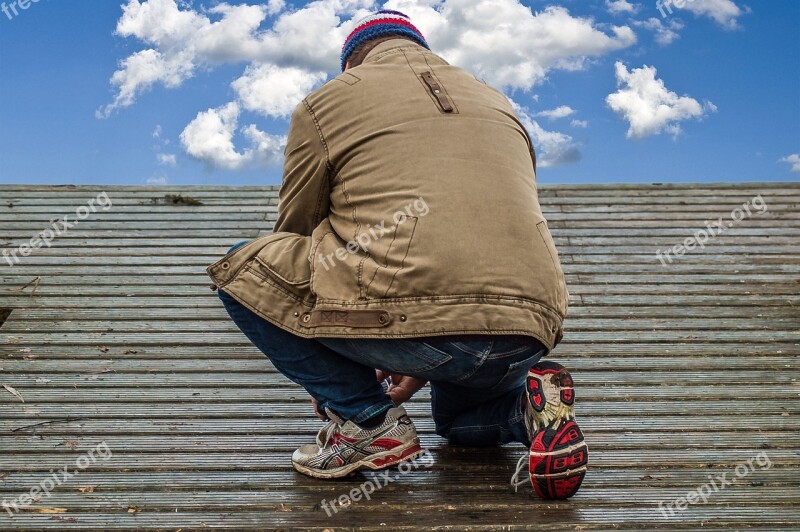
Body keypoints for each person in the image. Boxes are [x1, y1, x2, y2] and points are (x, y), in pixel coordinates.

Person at [208, 9, 588, 500]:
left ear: (351, 67)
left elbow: (295, 234)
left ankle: (370, 423)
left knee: (244, 269)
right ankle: (527, 414)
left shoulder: (327, 103)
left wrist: (335, 365)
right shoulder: (498, 102)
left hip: (430, 323)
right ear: (423, 49)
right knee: (459, 425)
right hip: (527, 328)